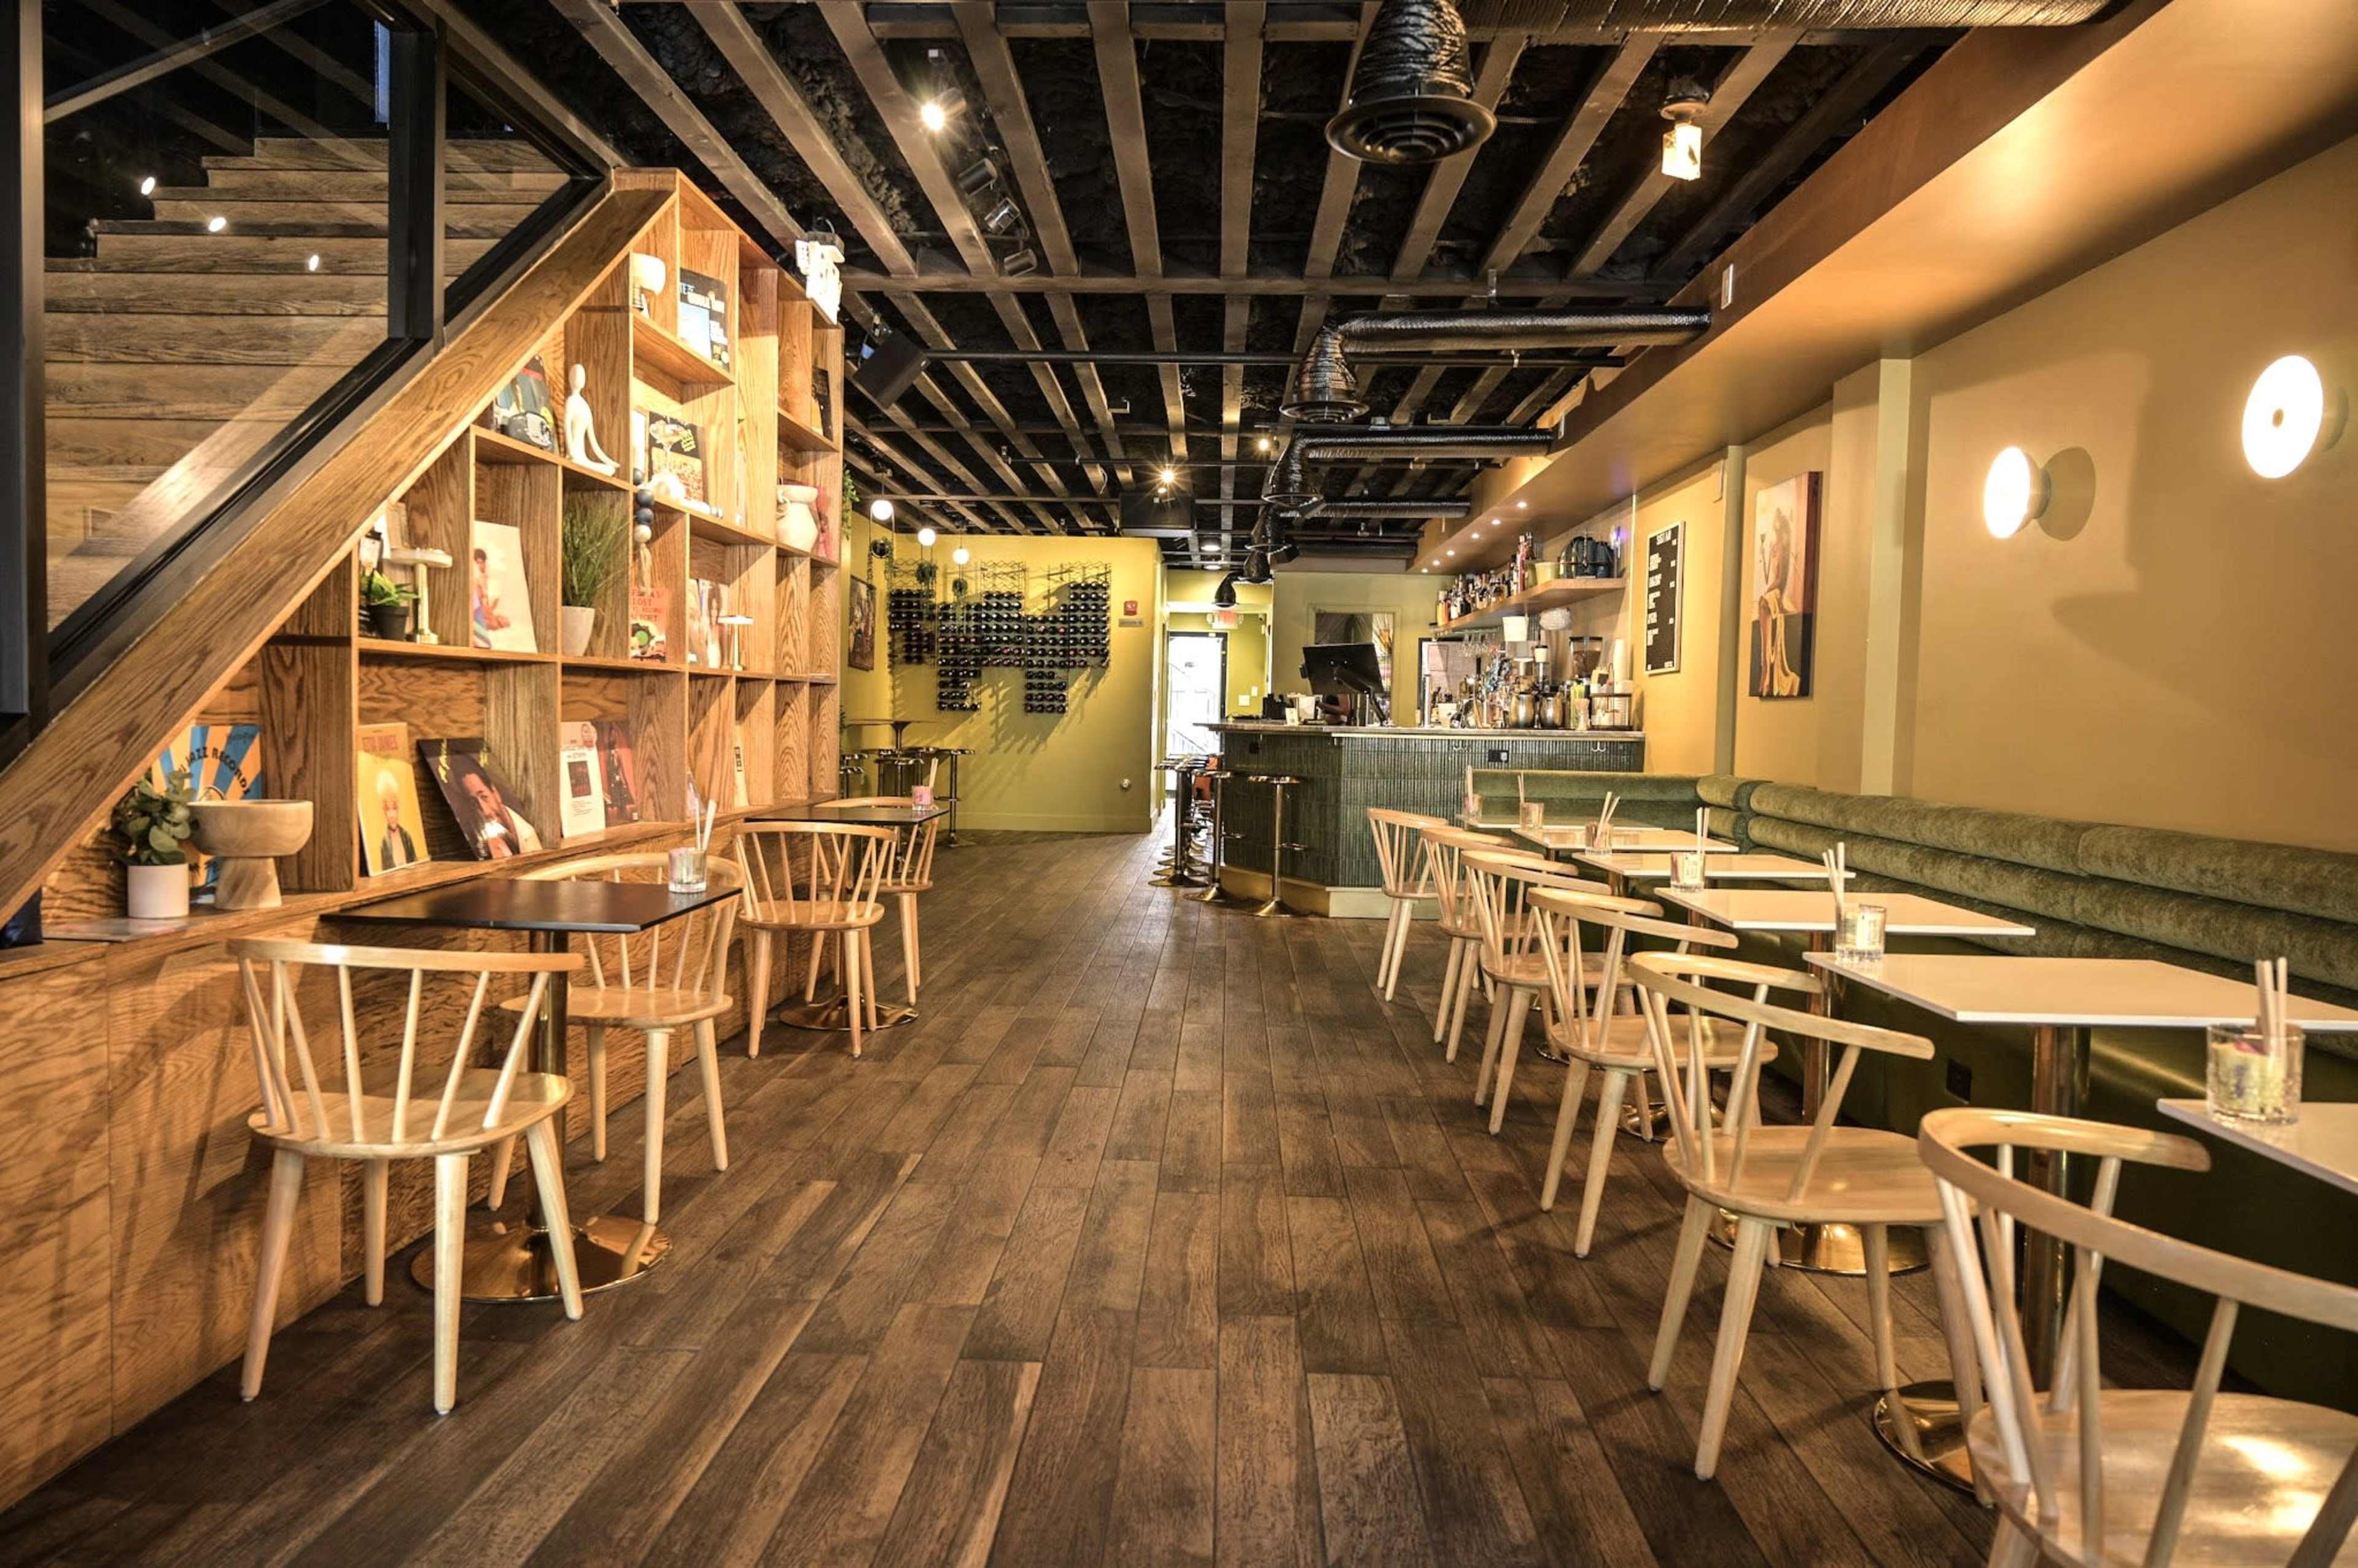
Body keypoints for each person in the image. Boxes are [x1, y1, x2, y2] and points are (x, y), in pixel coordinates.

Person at [457, 762, 542, 858]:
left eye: (484, 797)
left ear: (495, 793)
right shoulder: (480, 842)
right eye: (474, 803)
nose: (485, 812)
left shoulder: (528, 832)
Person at [375, 768, 420, 870]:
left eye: (394, 808)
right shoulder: (384, 843)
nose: (392, 815)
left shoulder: (406, 836)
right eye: (388, 809)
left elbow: (415, 862)